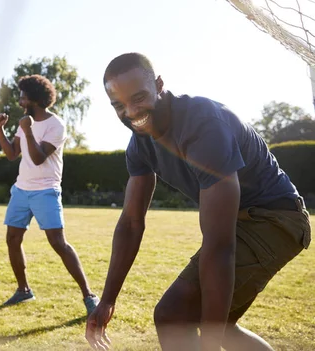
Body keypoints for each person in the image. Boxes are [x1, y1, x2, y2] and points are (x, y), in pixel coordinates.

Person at [85, 52, 311, 351]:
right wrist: (108, 299)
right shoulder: (139, 144)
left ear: (159, 85)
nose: (130, 112)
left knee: (173, 317)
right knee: (219, 326)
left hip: (274, 219)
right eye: (118, 105)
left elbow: (220, 245)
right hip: (246, 222)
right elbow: (130, 222)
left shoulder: (203, 124)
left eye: (138, 97)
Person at [0, 74, 100, 315]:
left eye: (23, 94)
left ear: (34, 97)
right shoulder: (25, 123)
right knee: (12, 239)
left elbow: (40, 157)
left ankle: (89, 295)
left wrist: (28, 131)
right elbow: (12, 154)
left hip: (46, 190)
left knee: (58, 243)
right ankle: (23, 290)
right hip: (22, 189)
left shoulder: (56, 125)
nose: (19, 98)